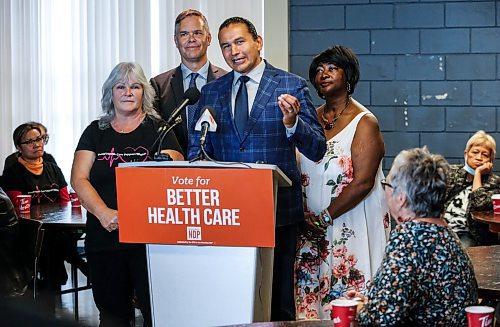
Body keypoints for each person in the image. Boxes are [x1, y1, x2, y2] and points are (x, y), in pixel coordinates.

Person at [187, 17, 326, 321]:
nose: (233, 51)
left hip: (277, 211)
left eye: (239, 42)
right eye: (225, 46)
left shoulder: (290, 84)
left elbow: (317, 148)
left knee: (277, 302)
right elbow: (196, 151)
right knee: (230, 297)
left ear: (258, 42)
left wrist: (293, 124)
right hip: (226, 216)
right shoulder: (212, 92)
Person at [71, 62, 183, 326]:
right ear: (111, 92)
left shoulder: (160, 128)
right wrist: (103, 213)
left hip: (150, 239)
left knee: (156, 314)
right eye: (120, 86)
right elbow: (79, 178)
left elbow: (174, 168)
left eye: (135, 86)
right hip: (105, 236)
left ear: (145, 92)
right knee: (112, 316)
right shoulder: (95, 131)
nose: (128, 92)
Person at [295, 45, 389, 320]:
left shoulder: (364, 122)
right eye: (318, 71)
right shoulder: (308, 117)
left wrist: (324, 218)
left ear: (348, 76)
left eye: (332, 68)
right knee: (312, 303)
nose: (323, 74)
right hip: (309, 226)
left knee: (346, 302)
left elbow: (363, 182)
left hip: (349, 223)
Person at [348, 147, 478, 326]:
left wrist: (360, 310)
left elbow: (381, 320)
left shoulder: (409, 240)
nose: (385, 190)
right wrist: (373, 304)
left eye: (387, 184)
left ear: (401, 198)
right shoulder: (446, 234)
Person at [1, 122, 87, 314]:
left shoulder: (52, 168)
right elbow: (19, 209)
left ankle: (51, 290)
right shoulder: (12, 173)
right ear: (19, 146)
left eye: (39, 139)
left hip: (59, 228)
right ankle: (78, 270)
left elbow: (65, 200)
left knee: (58, 243)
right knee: (52, 246)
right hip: (31, 232)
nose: (36, 144)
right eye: (29, 141)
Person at [150, 9, 226, 154]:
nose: (191, 39)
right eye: (184, 34)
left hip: (217, 166)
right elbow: (154, 133)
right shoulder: (158, 85)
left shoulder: (226, 80)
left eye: (197, 33)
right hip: (172, 169)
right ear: (176, 40)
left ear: (209, 38)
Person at [444, 130, 500, 247]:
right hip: (443, 229)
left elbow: (478, 204)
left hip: (468, 234)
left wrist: (478, 173)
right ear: (466, 154)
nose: (479, 158)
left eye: (484, 155)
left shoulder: (494, 182)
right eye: (475, 152)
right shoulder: (452, 172)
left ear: (490, 161)